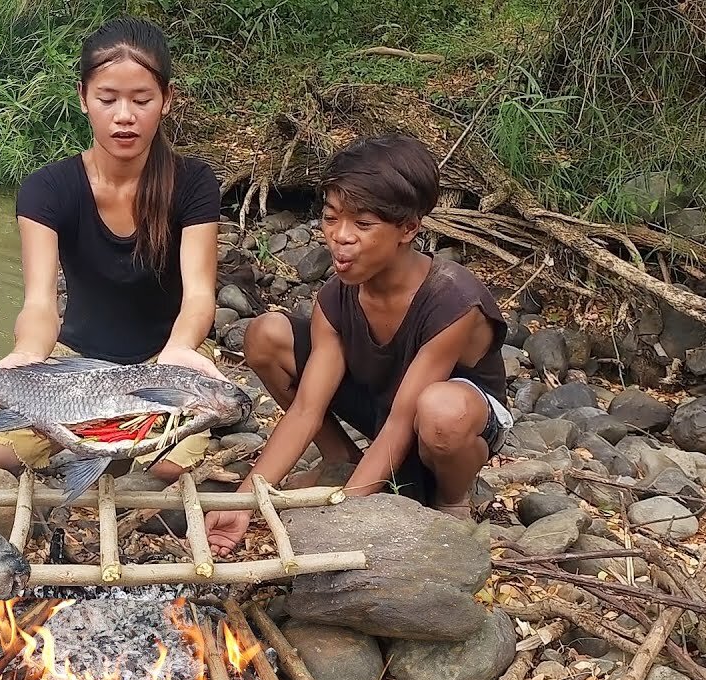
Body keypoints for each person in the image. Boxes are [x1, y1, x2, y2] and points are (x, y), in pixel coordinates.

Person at [203, 134, 514, 556]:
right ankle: (344, 465)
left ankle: (451, 499)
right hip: (383, 399)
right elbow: (307, 408)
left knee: (441, 411)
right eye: (331, 219)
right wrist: (243, 503)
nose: (340, 237)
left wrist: (342, 517)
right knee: (266, 334)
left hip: (454, 421)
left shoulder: (452, 299)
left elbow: (404, 420)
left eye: (363, 225)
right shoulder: (336, 297)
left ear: (409, 227)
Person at [0, 16, 224, 483]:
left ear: (167, 101)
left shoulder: (193, 183)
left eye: (142, 100)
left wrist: (179, 352)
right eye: (108, 99)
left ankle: (112, 450)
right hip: (74, 369)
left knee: (160, 470)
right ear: (83, 98)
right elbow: (40, 301)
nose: (125, 115)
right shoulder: (47, 189)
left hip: (165, 366)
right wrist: (28, 354)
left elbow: (200, 294)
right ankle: (92, 446)